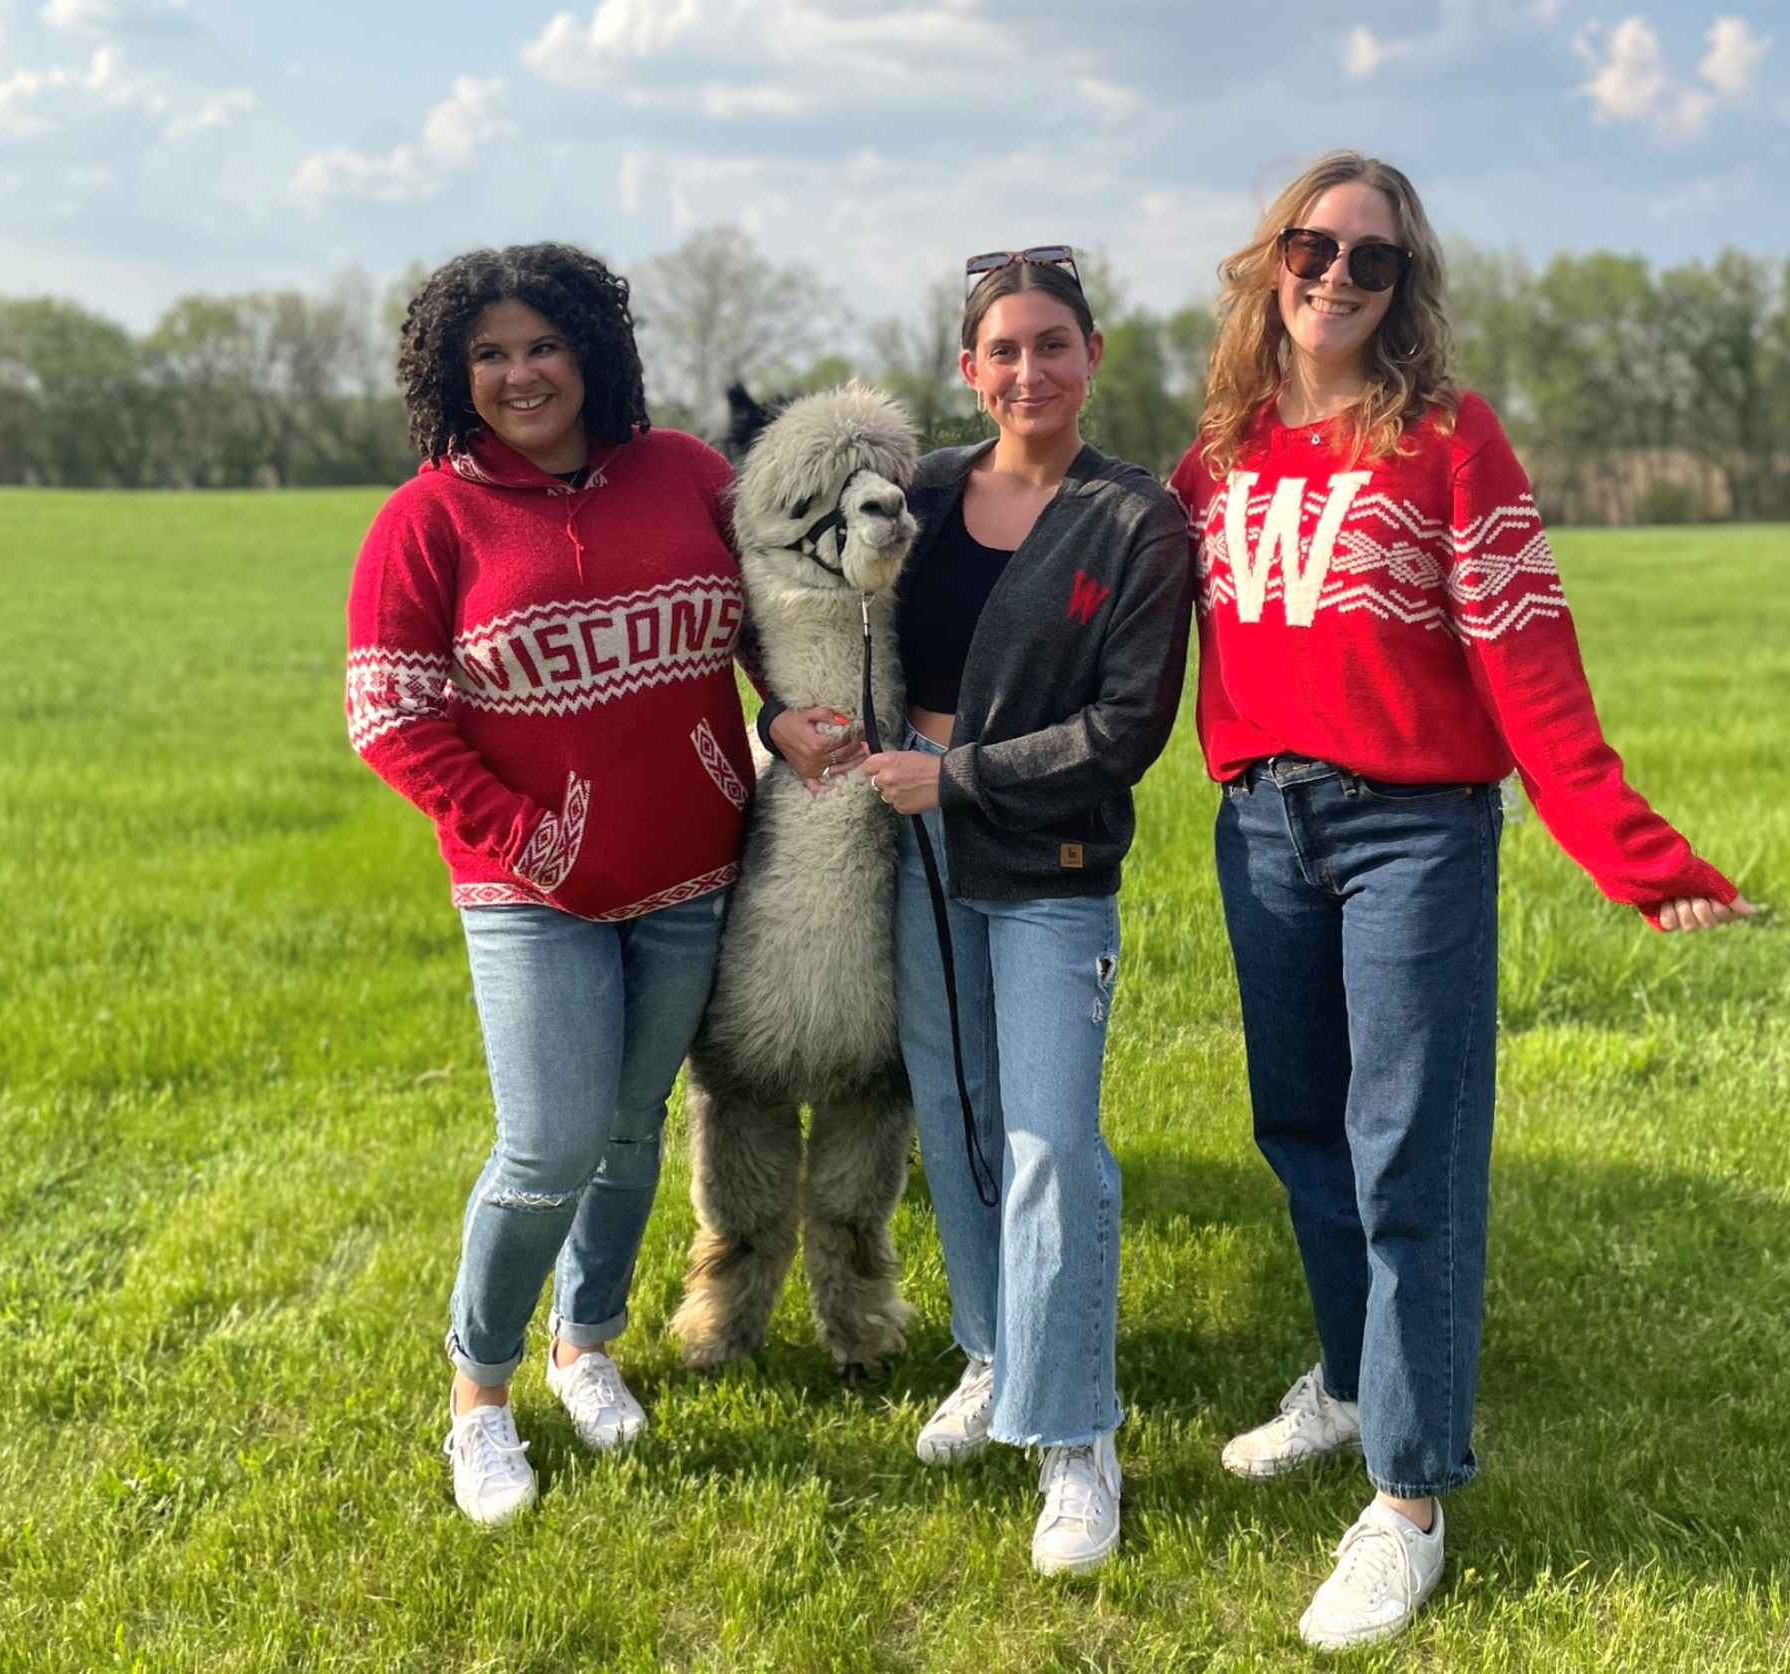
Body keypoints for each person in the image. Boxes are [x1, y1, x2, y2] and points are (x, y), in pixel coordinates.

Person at [1168, 152, 1753, 1649]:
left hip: (1407, 832)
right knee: (1297, 1124)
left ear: (1402, 289)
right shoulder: (1214, 455)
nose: (1336, 277)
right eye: (1313, 246)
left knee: (1404, 1151)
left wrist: (1635, 855)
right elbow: (1086, 623)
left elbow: (1527, 659)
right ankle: (1353, 1379)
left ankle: (1408, 1497)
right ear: (1268, 260)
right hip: (1259, 826)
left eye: (1372, 262)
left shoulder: (1445, 439)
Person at [771, 247, 1190, 1575]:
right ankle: (996, 1348)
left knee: (1051, 1134)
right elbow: (780, 572)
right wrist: (782, 713)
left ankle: (1074, 1437)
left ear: (1092, 355)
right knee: (950, 1114)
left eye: (1051, 343)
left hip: (1047, 866)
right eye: (1002, 349)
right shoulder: (928, 491)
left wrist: (952, 774)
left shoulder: (1134, 522)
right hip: (914, 856)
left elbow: (1126, 729)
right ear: (968, 368)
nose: (1028, 369)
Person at [345, 243, 757, 1525]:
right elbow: (390, 716)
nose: (520, 373)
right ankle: (480, 1387)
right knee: (548, 1144)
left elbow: (772, 618)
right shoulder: (427, 517)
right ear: (452, 374)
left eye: (542, 344)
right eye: (490, 353)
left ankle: (587, 1344)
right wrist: (525, 836)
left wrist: (783, 722)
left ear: (590, 349)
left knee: (633, 1133)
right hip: (529, 889)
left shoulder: (686, 471)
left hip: (693, 867)